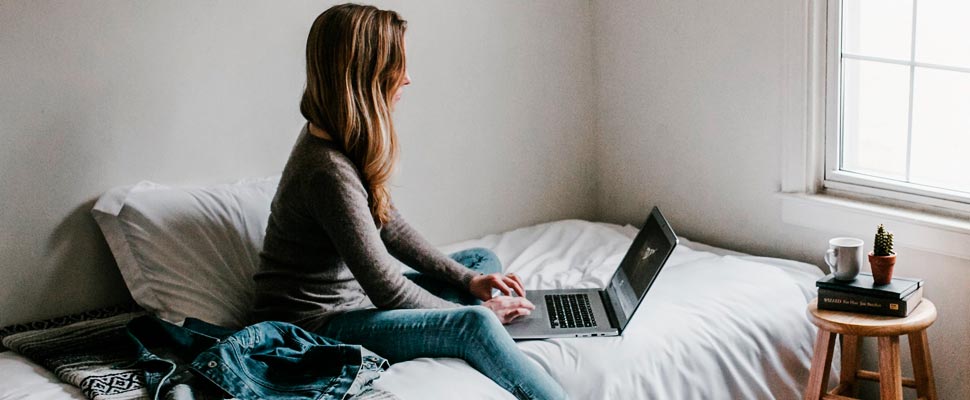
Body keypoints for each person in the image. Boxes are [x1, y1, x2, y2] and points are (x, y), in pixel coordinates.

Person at [252, 4, 567, 400]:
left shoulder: (339, 136)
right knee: (476, 325)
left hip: (355, 300)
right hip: (314, 326)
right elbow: (386, 288)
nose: (408, 78)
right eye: (396, 65)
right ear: (367, 75)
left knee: (479, 264)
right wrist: (475, 315)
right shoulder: (326, 170)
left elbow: (389, 225)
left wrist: (469, 282)